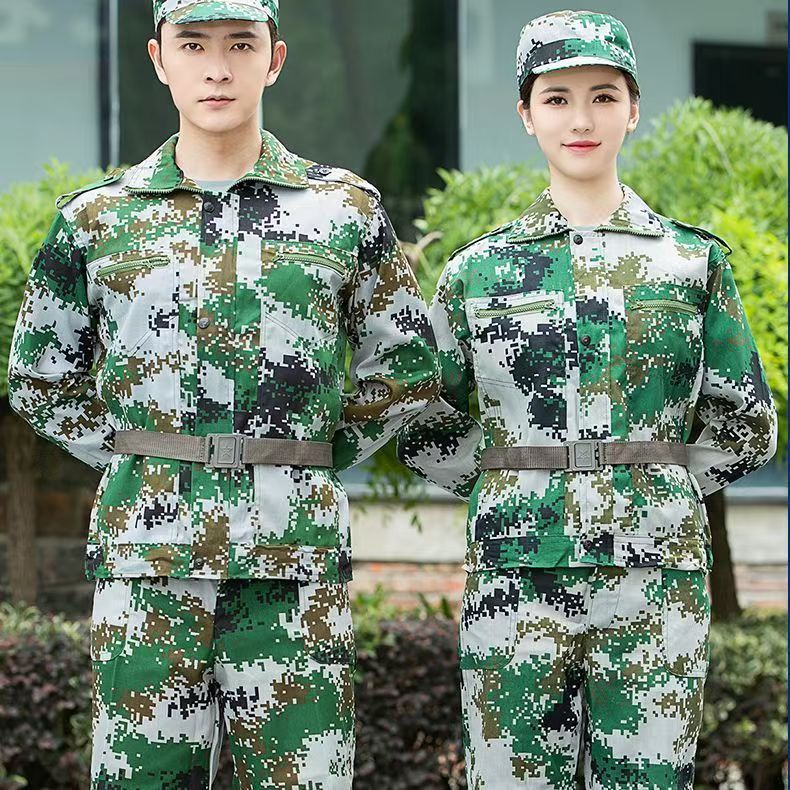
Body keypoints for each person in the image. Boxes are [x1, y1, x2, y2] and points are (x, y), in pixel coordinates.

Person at [6, 0, 439, 786]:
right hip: (148, 563)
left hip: (292, 562)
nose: (217, 68)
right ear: (158, 59)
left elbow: (406, 365)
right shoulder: (99, 219)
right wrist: (141, 458)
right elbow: (40, 373)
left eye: (241, 45)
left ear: (275, 59)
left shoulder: (342, 210)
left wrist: (306, 456)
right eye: (194, 45)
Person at [396, 9, 777, 789]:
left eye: (604, 96)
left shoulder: (690, 263)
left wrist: (654, 486)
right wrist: (512, 487)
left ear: (633, 110)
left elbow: (746, 421)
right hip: (515, 575)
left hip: (656, 579)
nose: (581, 119)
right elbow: (423, 421)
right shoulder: (476, 272)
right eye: (557, 98)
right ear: (525, 113)